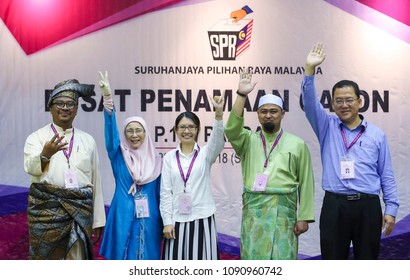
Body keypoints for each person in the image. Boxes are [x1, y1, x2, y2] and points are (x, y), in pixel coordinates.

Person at [302, 42, 399, 259]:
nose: (344, 105)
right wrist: (310, 71)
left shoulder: (376, 135)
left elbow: (387, 174)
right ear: (333, 104)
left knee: (366, 262)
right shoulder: (326, 126)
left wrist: (391, 209)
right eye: (338, 101)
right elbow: (309, 104)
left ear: (360, 101)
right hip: (335, 206)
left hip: (368, 207)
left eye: (349, 100)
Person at [224, 72, 315, 260]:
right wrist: (241, 96)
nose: (268, 116)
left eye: (273, 111)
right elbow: (231, 130)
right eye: (263, 112)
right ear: (257, 115)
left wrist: (304, 216)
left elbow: (306, 181)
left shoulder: (297, 144)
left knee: (282, 258)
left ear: (282, 114)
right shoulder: (248, 140)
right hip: (255, 213)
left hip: (284, 212)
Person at [24, 79, 106, 260]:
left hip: (79, 213)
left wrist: (98, 220)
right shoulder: (36, 137)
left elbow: (96, 181)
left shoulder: (88, 140)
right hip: (46, 214)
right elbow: (30, 167)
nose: (65, 108)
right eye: (60, 103)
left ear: (76, 109)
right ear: (50, 107)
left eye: (70, 104)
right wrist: (45, 155)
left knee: (76, 261)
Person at [97, 71, 163, 260]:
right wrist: (108, 99)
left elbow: (161, 195)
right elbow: (111, 133)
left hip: (149, 220)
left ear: (146, 133)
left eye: (138, 131)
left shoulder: (157, 161)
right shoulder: (118, 155)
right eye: (129, 131)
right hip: (122, 215)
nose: (134, 135)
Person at [160, 96, 224, 260]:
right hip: (176, 221)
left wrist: (218, 115)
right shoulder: (169, 157)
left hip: (202, 217)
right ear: (175, 130)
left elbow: (217, 141)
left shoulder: (205, 154)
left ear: (197, 130)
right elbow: (166, 192)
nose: (186, 131)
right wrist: (167, 221)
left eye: (191, 127)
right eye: (182, 127)